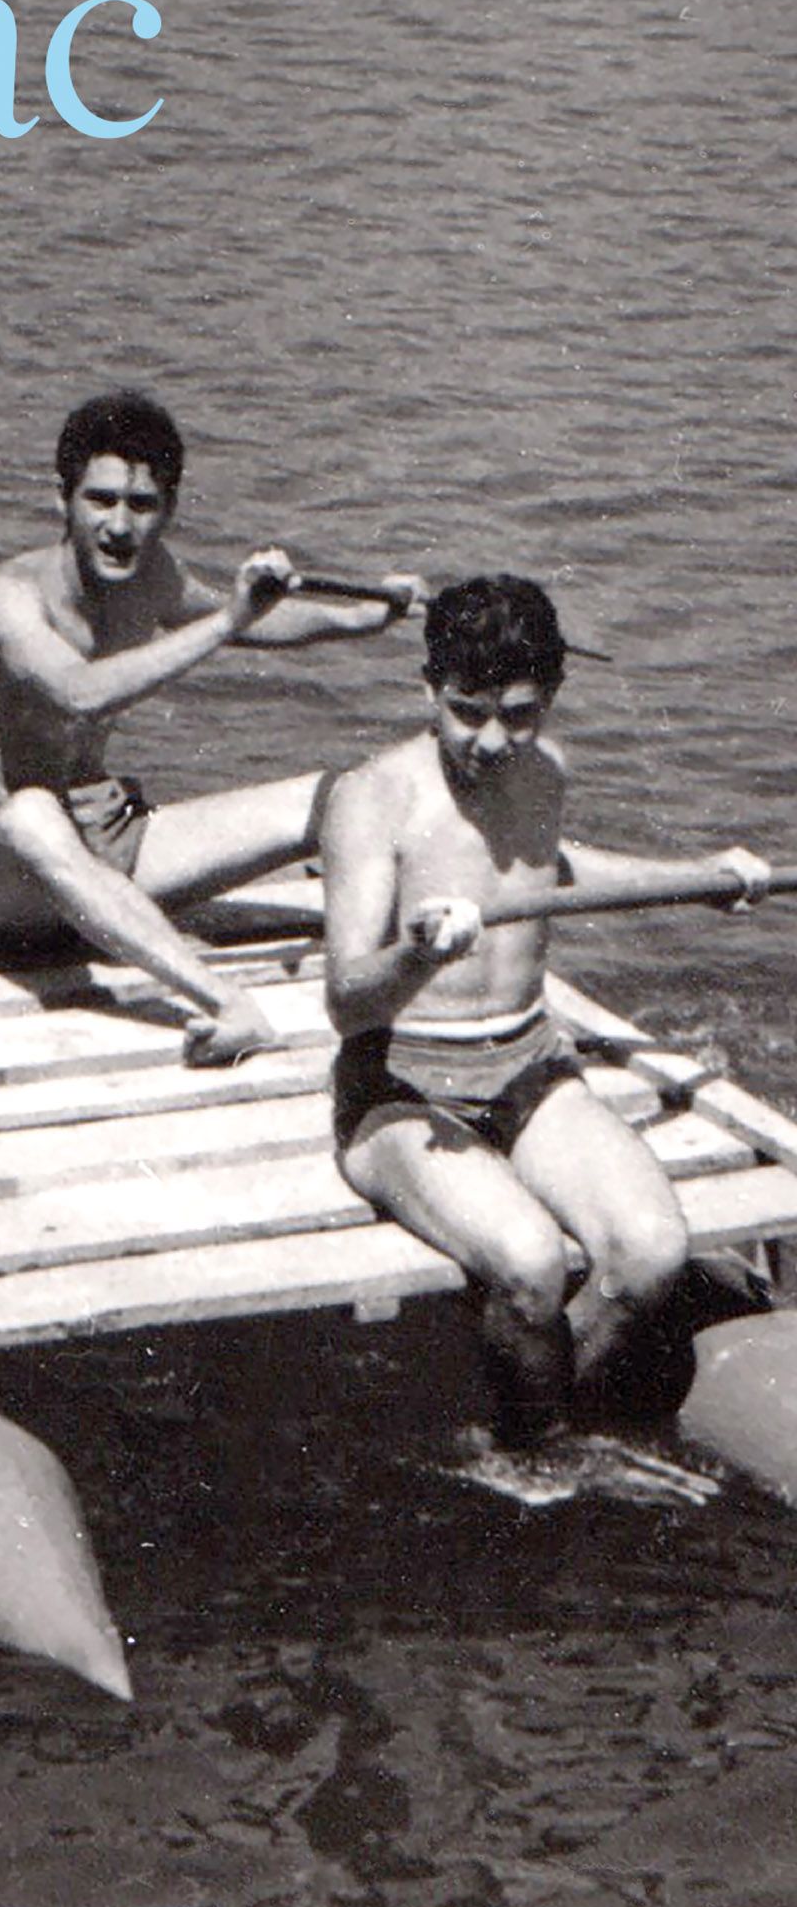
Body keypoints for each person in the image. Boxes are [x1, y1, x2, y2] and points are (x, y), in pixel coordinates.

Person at [321, 573, 769, 1450]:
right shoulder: (371, 798)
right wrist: (418, 954)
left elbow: (551, 872)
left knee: (651, 1251)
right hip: (400, 1089)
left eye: (520, 715)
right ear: (427, 690)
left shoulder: (547, 771)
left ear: (551, 699)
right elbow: (345, 1001)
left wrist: (701, 878)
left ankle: (537, 1430)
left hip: (527, 1065)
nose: (493, 740)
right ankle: (543, 1448)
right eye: (467, 712)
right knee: (530, 1261)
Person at [0, 387, 423, 1061]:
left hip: (110, 846)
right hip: (5, 881)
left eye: (142, 505)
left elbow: (248, 621)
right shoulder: (6, 596)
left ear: (168, 509)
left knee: (341, 795)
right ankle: (227, 1003)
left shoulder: (154, 576)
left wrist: (360, 616)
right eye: (100, 500)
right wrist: (230, 619)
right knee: (32, 814)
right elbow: (80, 693)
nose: (120, 526)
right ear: (62, 501)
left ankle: (382, 973)